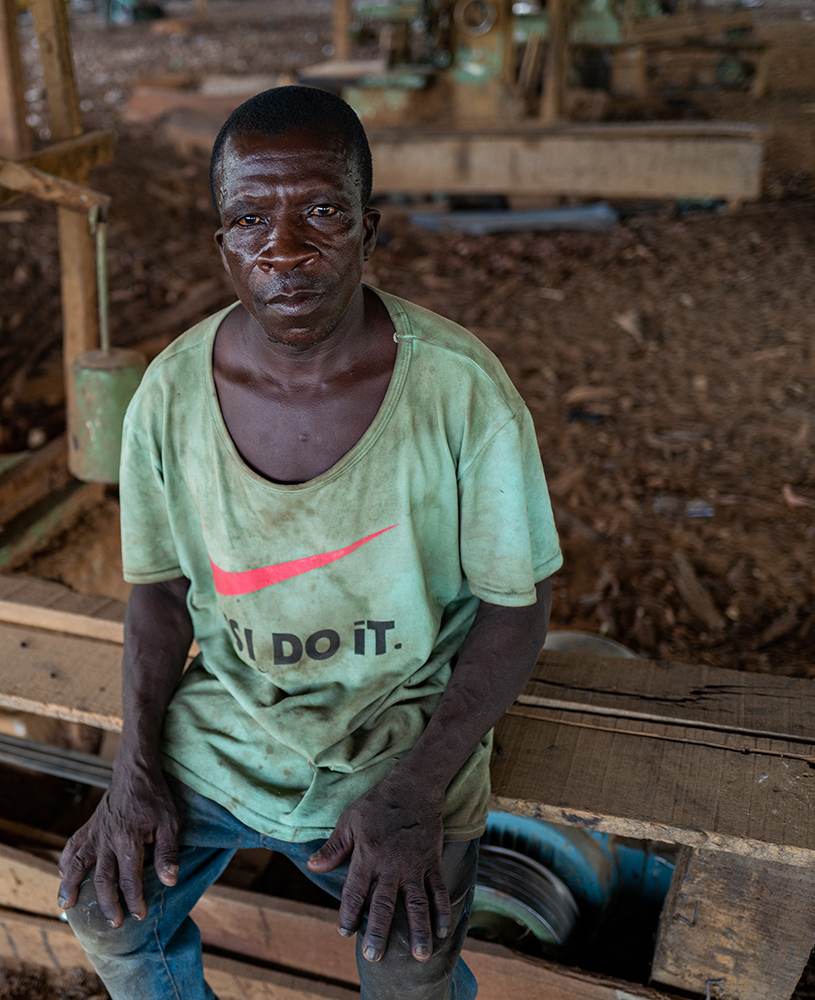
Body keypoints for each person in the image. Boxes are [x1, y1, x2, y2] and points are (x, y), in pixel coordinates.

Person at [57, 86, 562, 1000]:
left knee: (410, 963)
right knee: (105, 910)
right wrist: (131, 773)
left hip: (398, 736)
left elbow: (514, 613)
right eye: (250, 218)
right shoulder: (170, 395)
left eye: (322, 212)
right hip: (231, 729)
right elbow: (160, 594)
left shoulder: (460, 393)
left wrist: (415, 794)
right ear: (222, 245)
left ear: (372, 230)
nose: (284, 251)